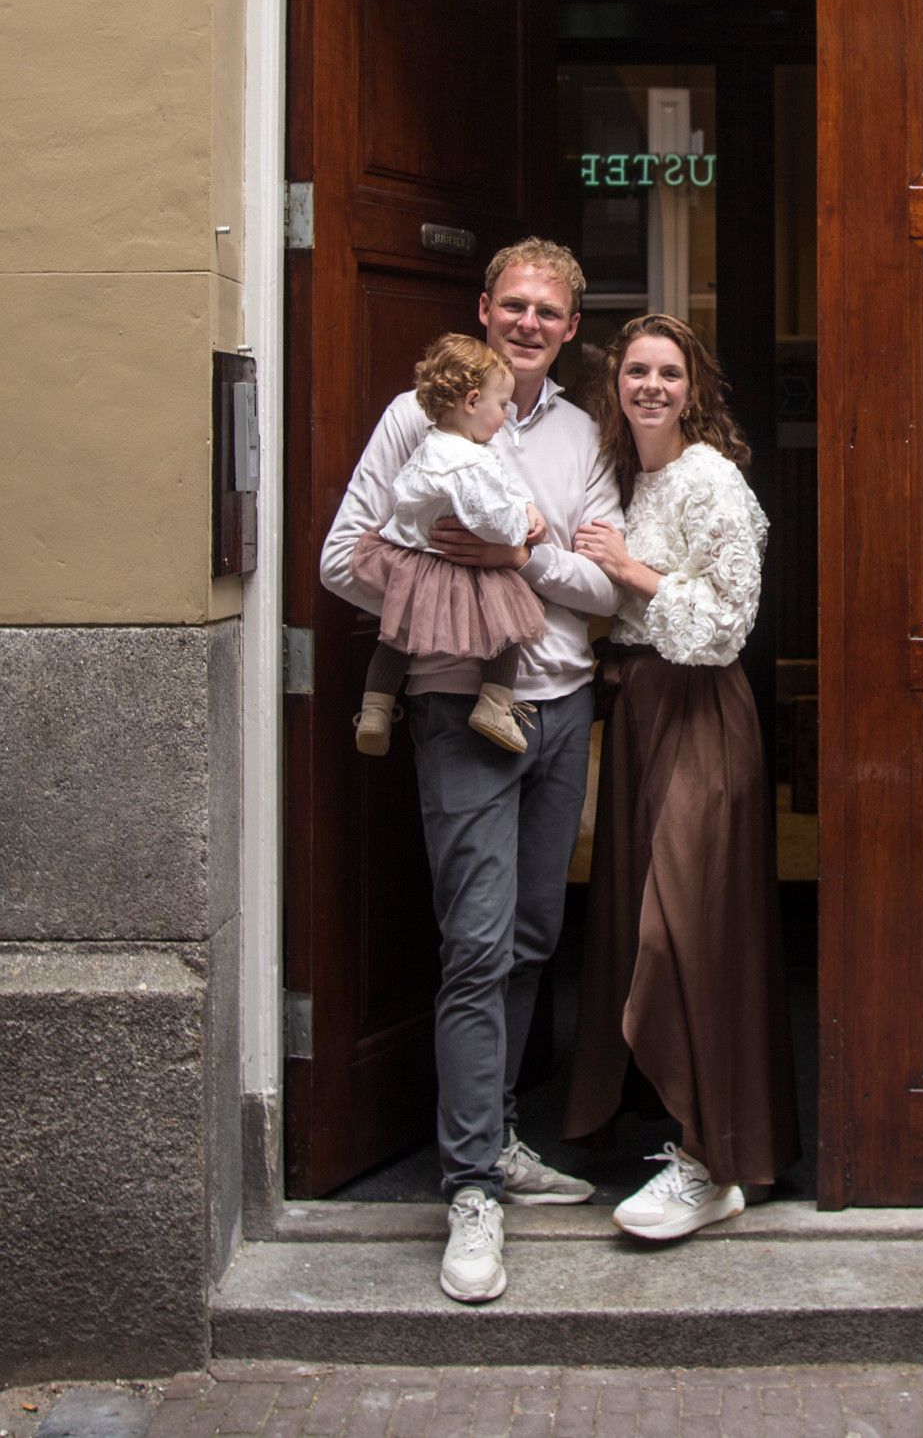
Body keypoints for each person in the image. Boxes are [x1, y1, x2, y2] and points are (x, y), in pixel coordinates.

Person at [319, 239, 622, 1308]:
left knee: (536, 936)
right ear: (483, 309)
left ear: (570, 327)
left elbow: (604, 580)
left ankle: (495, 1136)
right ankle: (468, 1188)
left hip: (558, 708)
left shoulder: (585, 433)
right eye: (513, 305)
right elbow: (340, 557)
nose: (528, 322)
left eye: (549, 310)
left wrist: (518, 560)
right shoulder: (418, 416)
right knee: (477, 943)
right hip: (457, 710)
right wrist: (446, 588)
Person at [564, 312, 800, 1241]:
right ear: (615, 385)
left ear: (693, 388)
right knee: (633, 921)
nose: (651, 386)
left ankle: (714, 1160)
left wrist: (633, 572)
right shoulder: (622, 473)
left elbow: (728, 620)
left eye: (668, 372)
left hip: (701, 712)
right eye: (635, 371)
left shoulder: (711, 478)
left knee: (685, 925)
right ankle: (692, 1143)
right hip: (635, 714)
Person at [354, 333, 551, 759]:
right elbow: (489, 517)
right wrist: (521, 525)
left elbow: (499, 485)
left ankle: (374, 708)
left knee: (395, 636)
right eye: (502, 405)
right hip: (457, 567)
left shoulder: (431, 444)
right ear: (472, 401)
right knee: (505, 632)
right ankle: (495, 705)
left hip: (410, 562)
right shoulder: (469, 460)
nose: (506, 415)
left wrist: (526, 501)